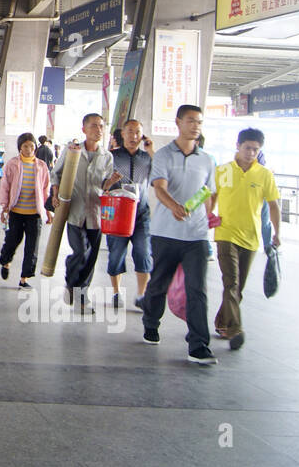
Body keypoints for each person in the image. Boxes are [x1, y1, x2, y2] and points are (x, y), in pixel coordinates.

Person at [140, 104, 220, 364]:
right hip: (165, 233)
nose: (195, 126)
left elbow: (208, 192)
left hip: (196, 236)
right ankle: (151, 322)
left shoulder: (207, 160)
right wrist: (174, 207)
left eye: (199, 122)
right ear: (178, 122)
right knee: (158, 284)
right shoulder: (163, 155)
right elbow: (159, 187)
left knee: (197, 289)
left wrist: (209, 215)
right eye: (190, 121)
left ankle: (198, 345)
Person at [212, 127, 280, 351]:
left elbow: (273, 205)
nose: (251, 153)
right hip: (226, 234)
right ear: (238, 146)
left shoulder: (264, 174)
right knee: (230, 282)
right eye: (247, 148)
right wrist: (205, 215)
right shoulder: (222, 171)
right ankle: (235, 330)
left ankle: (222, 322)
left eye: (255, 149)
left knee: (237, 287)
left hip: (251, 238)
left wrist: (278, 233)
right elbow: (210, 195)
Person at [53, 113, 118, 311]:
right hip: (75, 211)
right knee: (80, 252)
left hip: (96, 213)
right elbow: (56, 173)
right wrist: (55, 195)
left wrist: (111, 183)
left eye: (101, 126)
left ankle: (81, 298)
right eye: (93, 126)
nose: (98, 130)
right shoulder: (73, 151)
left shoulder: (107, 156)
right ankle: (70, 283)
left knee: (91, 258)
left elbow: (104, 185)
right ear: (84, 129)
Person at [106, 119, 155, 310]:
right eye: (130, 132)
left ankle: (142, 295)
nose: (134, 136)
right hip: (117, 213)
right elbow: (102, 185)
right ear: (123, 134)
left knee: (143, 253)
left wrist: (151, 151)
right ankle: (116, 292)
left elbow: (161, 176)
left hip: (141, 213)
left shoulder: (146, 158)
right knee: (116, 254)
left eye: (138, 132)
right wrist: (111, 181)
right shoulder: (111, 157)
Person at [0, 131, 52, 288]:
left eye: (31, 146)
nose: (29, 149)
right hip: (16, 212)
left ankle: (24, 279)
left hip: (34, 214)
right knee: (12, 241)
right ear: (20, 148)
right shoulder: (12, 164)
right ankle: (6, 261)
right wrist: (5, 207)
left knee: (32, 247)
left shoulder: (41, 166)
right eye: (25, 146)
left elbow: (45, 190)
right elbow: (5, 186)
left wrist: (48, 210)